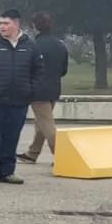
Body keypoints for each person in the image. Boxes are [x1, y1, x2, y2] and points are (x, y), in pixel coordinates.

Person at [0, 8, 43, 184]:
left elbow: (38, 71)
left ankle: (7, 171)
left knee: (12, 136)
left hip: (19, 101)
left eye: (6, 23)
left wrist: (30, 89)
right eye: (0, 23)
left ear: (16, 23)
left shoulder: (30, 47)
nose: (2, 27)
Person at [19, 11, 68, 164]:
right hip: (54, 88)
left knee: (46, 124)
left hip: (38, 91)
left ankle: (62, 156)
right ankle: (33, 152)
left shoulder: (33, 46)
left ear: (34, 26)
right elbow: (64, 70)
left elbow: (27, 68)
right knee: (42, 121)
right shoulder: (60, 45)